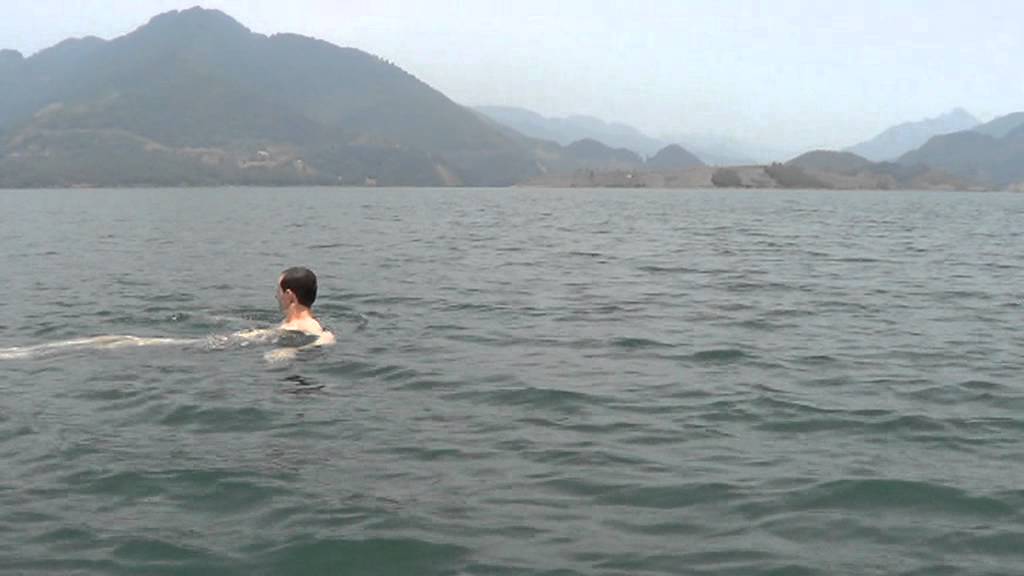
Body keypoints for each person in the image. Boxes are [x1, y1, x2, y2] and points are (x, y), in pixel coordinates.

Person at [276, 266, 335, 346]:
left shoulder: (309, 326)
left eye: (279, 291)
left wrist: (291, 351)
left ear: (289, 295)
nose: (276, 296)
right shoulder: (289, 322)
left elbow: (327, 339)